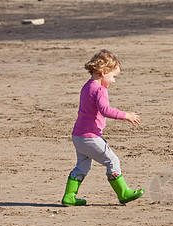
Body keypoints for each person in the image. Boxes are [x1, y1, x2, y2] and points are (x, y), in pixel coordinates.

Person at [61, 49, 144, 206]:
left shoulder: (87, 86)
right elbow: (105, 110)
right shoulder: (100, 89)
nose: (114, 81)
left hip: (78, 136)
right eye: (113, 76)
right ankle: (123, 193)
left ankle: (69, 196)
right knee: (112, 161)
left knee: (82, 166)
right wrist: (126, 115)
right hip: (90, 137)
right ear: (103, 72)